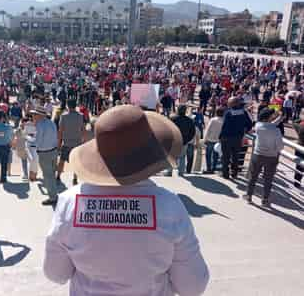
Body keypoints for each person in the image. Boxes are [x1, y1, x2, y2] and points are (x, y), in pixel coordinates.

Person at [43, 105, 209, 296]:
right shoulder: (170, 207)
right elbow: (193, 286)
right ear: (151, 151)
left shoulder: (68, 203)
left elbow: (56, 274)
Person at [244, 108, 283, 207]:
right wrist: (280, 116)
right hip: (271, 157)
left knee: (253, 176)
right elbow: (280, 146)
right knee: (268, 179)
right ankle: (265, 199)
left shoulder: (258, 126)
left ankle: (249, 196)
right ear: (269, 117)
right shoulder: (276, 130)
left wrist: (279, 117)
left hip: (257, 155)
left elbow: (270, 124)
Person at [219, 97, 253, 179]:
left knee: (226, 157)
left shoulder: (228, 113)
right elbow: (250, 124)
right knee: (235, 157)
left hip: (227, 138)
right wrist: (245, 131)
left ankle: (225, 174)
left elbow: (224, 126)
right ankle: (234, 174)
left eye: (229, 103)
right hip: (238, 138)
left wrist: (220, 137)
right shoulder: (243, 112)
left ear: (232, 104)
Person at [32, 106, 58, 206]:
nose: (33, 116)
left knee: (48, 176)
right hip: (53, 151)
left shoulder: (39, 125)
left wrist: (29, 139)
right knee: (51, 174)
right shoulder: (51, 123)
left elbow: (37, 141)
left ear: (39, 115)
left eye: (35, 114)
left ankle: (52, 197)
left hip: (45, 153)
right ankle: (54, 193)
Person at [56, 99, 86, 185]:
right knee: (76, 162)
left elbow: (60, 131)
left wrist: (59, 143)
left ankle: (58, 176)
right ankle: (75, 178)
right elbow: (83, 130)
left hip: (66, 143)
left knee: (62, 161)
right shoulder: (80, 116)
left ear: (68, 106)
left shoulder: (64, 116)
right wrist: (83, 141)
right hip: (77, 143)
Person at [167, 104, 196, 176]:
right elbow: (192, 132)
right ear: (185, 111)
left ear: (178, 110)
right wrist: (187, 139)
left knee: (171, 156)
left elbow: (168, 129)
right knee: (182, 157)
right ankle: (181, 172)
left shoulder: (172, 119)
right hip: (184, 141)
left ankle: (169, 172)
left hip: (174, 140)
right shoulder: (189, 120)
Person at [203, 107, 225, 174]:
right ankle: (213, 168)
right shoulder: (224, 120)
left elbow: (208, 130)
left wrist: (205, 139)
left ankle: (208, 168)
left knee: (208, 155)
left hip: (210, 139)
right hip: (218, 140)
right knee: (215, 155)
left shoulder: (213, 120)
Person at [293, 118, 304, 188]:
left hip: (299, 148)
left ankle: (296, 182)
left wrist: (301, 120)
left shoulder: (301, 126)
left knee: (299, 167)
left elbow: (294, 122)